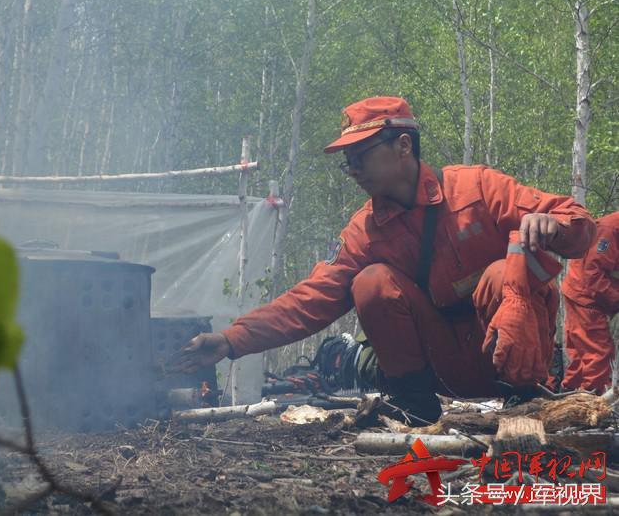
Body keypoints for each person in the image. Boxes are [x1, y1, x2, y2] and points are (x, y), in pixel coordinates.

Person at [177, 96, 596, 425]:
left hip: (510, 356)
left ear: (403, 145)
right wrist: (231, 340)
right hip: (443, 368)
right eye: (348, 161)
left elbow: (579, 225)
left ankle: (524, 398)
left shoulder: (477, 189)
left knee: (504, 272)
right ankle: (415, 405)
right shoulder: (365, 232)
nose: (353, 169)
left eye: (360, 154)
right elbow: (309, 301)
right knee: (371, 282)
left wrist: (555, 228)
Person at [560, 211, 619, 393]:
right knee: (597, 351)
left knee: (581, 352)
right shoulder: (610, 230)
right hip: (586, 296)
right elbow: (593, 273)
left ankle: (570, 393)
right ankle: (592, 399)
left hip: (582, 292)